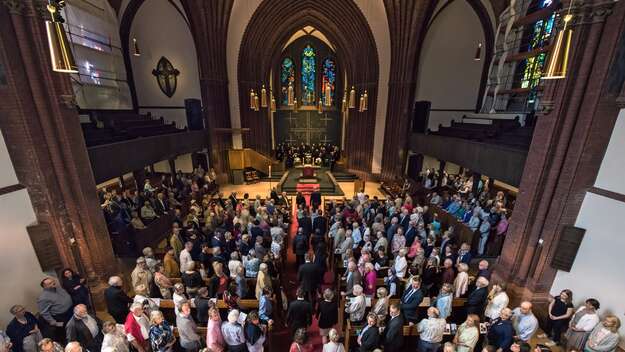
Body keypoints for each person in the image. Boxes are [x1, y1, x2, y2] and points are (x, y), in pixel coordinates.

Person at [37, 277, 73, 342]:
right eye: (50, 283)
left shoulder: (58, 288)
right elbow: (44, 312)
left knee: (73, 327)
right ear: (45, 286)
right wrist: (54, 322)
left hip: (70, 311)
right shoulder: (43, 298)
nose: (53, 283)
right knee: (66, 332)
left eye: (53, 281)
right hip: (61, 317)